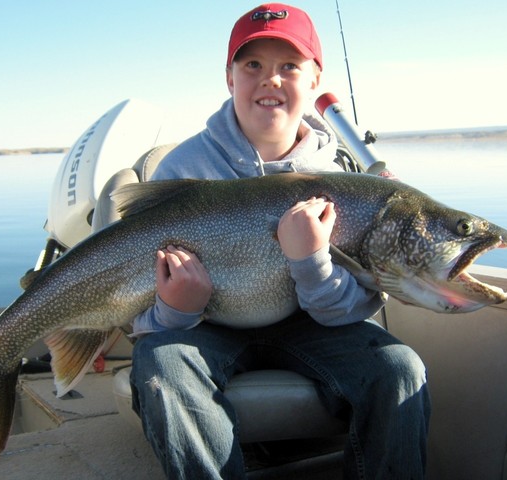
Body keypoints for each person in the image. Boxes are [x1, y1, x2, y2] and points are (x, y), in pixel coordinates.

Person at [129, 3, 431, 479]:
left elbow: (349, 310)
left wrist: (311, 262)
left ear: (314, 81)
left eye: (289, 66)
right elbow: (138, 315)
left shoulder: (342, 185)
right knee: (159, 364)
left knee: (398, 368)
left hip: (307, 324)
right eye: (253, 65)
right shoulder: (182, 170)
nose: (270, 79)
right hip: (204, 326)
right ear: (229, 79)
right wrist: (178, 309)